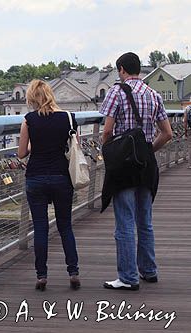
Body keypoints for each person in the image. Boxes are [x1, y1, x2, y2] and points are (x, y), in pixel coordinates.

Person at [100, 52, 172, 290]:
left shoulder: (116, 92)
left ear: (121, 69)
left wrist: (106, 152)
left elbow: (108, 131)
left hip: (124, 166)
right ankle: (149, 271)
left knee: (125, 221)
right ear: (138, 69)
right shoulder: (154, 94)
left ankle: (128, 277)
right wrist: (148, 150)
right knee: (145, 221)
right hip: (146, 165)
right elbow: (168, 133)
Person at [18, 79, 80, 291]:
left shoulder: (29, 120)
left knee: (41, 228)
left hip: (36, 177)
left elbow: (21, 153)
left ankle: (42, 276)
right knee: (65, 226)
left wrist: (37, 142)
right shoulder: (69, 118)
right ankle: (73, 271)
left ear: (32, 98)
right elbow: (73, 147)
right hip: (62, 177)